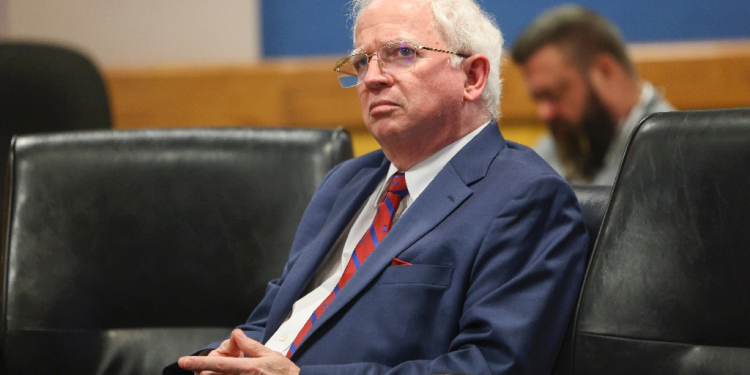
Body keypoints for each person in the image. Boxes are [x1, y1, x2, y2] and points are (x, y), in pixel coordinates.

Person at [165, 0, 588, 374]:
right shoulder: (346, 182)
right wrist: (216, 363)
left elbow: (491, 365)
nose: (372, 79)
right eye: (362, 62)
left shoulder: (526, 197)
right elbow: (271, 323)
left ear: (473, 76)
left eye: (401, 53)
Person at [511, 5, 674, 185]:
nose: (544, 112)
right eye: (538, 98)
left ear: (605, 71)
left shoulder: (676, 152)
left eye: (555, 94)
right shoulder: (549, 152)